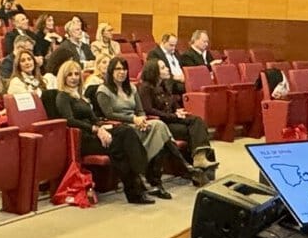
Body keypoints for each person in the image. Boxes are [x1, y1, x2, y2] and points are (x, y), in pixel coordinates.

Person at [45, 59, 158, 203]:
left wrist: (103, 128)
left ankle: (137, 184)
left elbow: (95, 119)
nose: (74, 78)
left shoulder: (81, 97)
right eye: (70, 75)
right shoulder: (63, 96)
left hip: (95, 132)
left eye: (76, 74)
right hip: (83, 139)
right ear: (63, 77)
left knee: (125, 132)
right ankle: (139, 181)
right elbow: (70, 121)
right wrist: (96, 129)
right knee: (120, 145)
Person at [93, 56, 206, 193]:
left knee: (158, 127)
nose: (121, 72)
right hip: (121, 127)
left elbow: (140, 110)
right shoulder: (103, 90)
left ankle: (158, 178)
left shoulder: (132, 88)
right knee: (160, 129)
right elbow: (109, 114)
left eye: (124, 69)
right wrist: (134, 119)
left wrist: (141, 119)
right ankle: (179, 169)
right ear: (111, 71)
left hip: (138, 123)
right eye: (117, 69)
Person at [139, 59, 218, 173]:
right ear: (154, 71)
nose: (167, 69)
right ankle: (195, 165)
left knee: (198, 121)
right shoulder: (145, 88)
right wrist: (173, 115)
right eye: (163, 68)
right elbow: (148, 110)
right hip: (162, 124)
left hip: (172, 118)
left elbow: (172, 102)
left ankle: (199, 159)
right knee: (191, 131)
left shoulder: (164, 85)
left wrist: (178, 111)